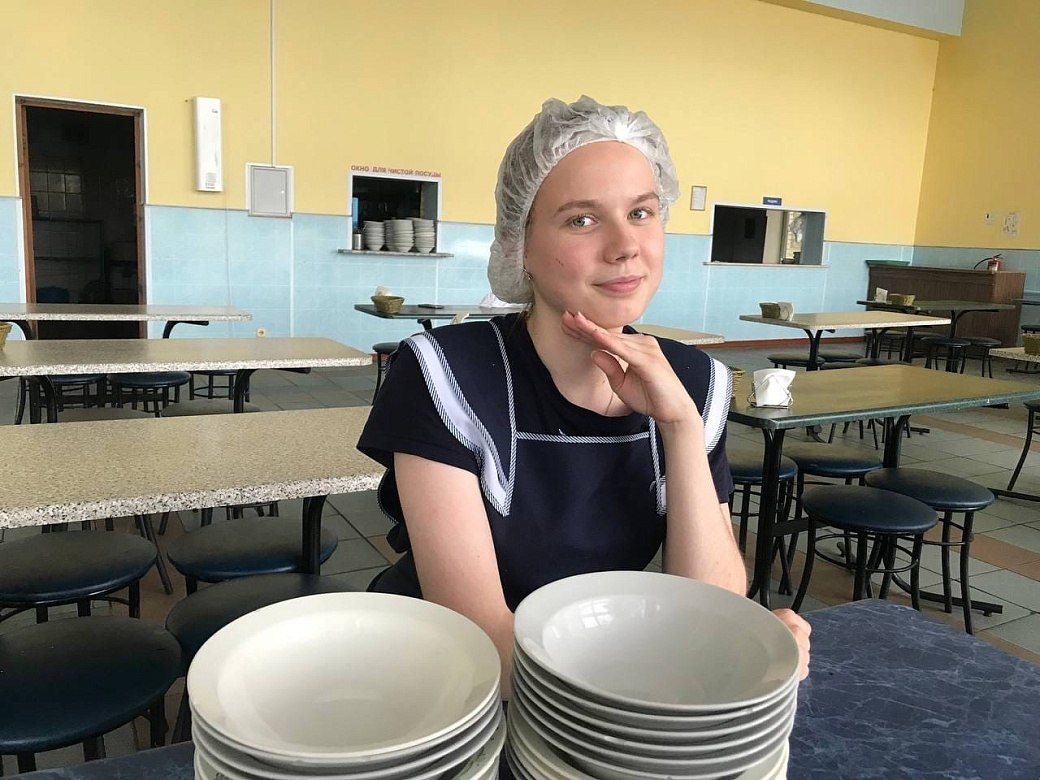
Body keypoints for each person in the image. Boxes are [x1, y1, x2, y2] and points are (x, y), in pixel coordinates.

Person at [357, 96, 810, 689]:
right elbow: (486, 644)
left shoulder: (694, 382)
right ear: (521, 248)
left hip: (594, 669)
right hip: (438, 682)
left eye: (641, 212)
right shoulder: (447, 375)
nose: (625, 246)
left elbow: (711, 608)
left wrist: (680, 427)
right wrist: (693, 671)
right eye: (581, 220)